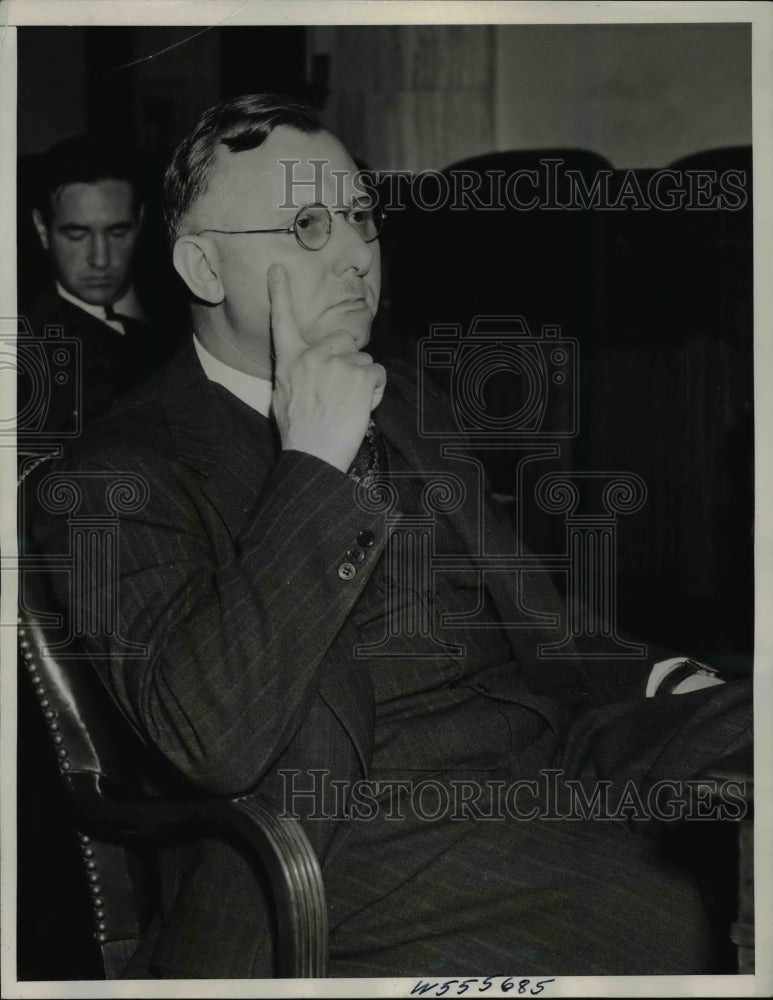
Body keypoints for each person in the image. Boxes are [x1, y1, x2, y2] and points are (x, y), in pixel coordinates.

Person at [28, 94, 751, 980]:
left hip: (545, 754)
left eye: (360, 217)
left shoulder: (404, 396)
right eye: (305, 224)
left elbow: (537, 621)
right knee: (655, 904)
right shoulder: (110, 475)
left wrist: (654, 675)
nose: (352, 256)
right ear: (203, 268)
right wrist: (315, 461)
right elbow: (211, 738)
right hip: (339, 826)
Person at [21, 133, 163, 434]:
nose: (100, 259)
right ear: (42, 229)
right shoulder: (26, 359)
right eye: (77, 234)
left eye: (117, 232)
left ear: (139, 220)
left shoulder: (186, 306)